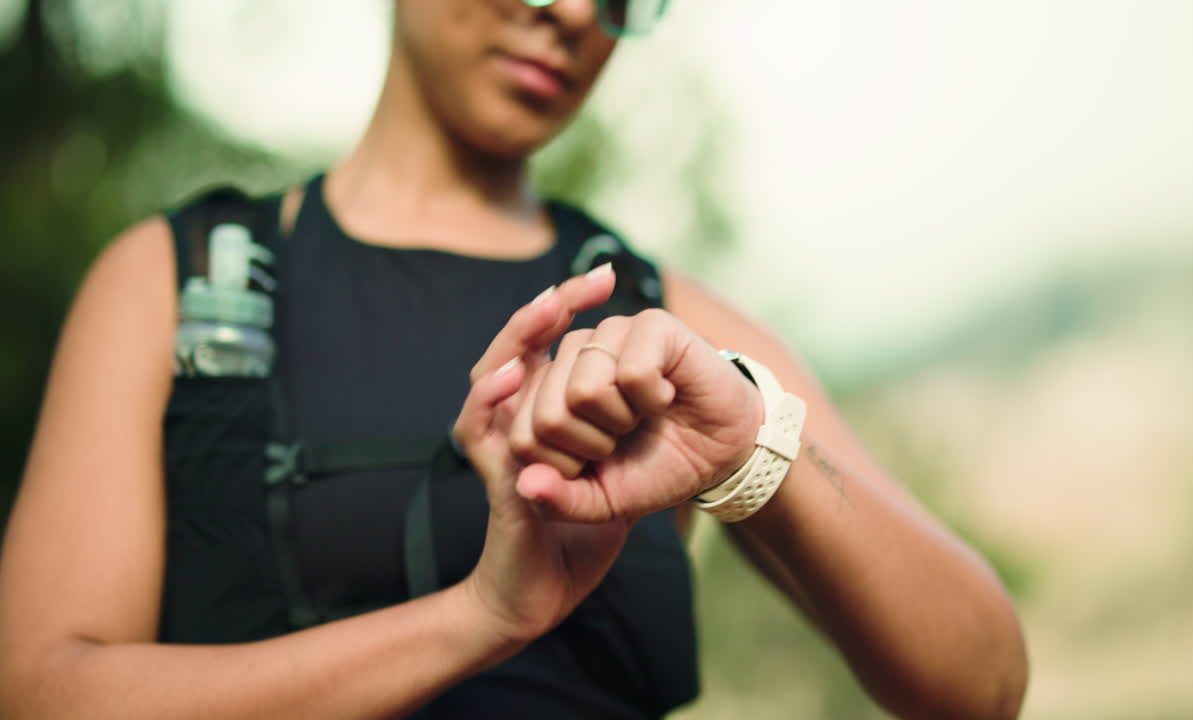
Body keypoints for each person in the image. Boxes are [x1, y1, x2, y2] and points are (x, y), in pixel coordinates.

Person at [0, 1, 1028, 718]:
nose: (575, 12)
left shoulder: (665, 323)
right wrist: (479, 618)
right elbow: (42, 695)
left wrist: (751, 447)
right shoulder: (173, 283)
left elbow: (978, 683)